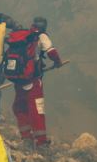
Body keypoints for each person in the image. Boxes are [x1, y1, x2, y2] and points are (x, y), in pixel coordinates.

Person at [10, 16, 63, 149]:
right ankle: (41, 142)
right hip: (33, 80)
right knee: (37, 110)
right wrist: (58, 62)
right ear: (44, 26)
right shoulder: (41, 36)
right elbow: (52, 52)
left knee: (20, 108)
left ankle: (27, 138)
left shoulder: (23, 37)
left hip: (19, 80)